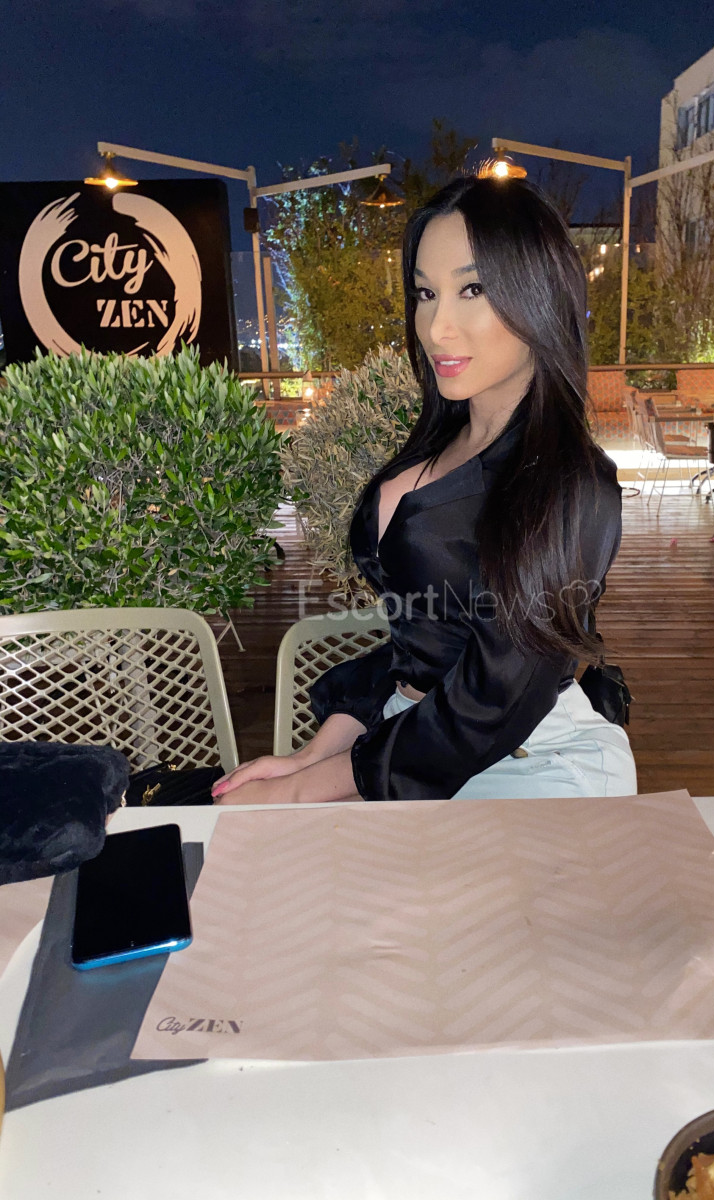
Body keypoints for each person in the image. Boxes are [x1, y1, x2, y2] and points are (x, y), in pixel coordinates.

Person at [213, 175, 636, 806]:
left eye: (473, 290)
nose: (437, 328)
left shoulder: (570, 486)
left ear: (539, 296)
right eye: (425, 293)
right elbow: (423, 642)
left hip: (529, 765)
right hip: (411, 741)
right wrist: (313, 755)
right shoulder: (444, 441)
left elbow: (495, 698)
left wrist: (301, 792)